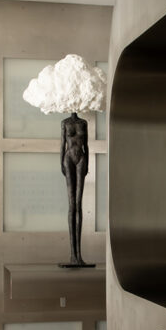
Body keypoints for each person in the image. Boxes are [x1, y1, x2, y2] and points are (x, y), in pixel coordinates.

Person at [60, 112, 89, 266]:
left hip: (81, 159)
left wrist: (88, 164)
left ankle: (79, 255)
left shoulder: (84, 123)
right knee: (72, 204)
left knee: (78, 203)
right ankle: (73, 255)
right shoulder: (64, 122)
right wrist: (61, 164)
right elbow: (62, 144)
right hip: (69, 157)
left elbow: (87, 145)